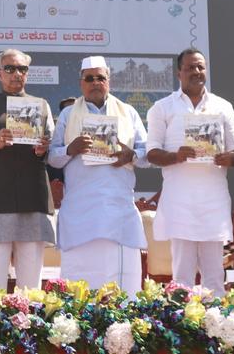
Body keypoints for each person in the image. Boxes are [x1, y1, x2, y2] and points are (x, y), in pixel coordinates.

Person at [48, 56, 149, 293]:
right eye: (89, 78)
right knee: (79, 284)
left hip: (117, 210)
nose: (95, 82)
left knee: (121, 287)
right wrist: (70, 149)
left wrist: (131, 155)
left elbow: (147, 155)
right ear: (81, 82)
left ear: (109, 81)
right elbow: (52, 157)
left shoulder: (129, 113)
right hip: (80, 211)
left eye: (100, 78)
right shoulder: (68, 114)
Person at [146, 47, 234, 289]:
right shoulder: (163, 107)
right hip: (180, 203)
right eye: (190, 67)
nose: (196, 71)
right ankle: (183, 325)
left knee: (214, 278)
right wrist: (176, 156)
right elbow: (152, 153)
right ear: (179, 73)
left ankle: (219, 327)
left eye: (200, 66)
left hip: (213, 201)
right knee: (182, 278)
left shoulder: (223, 107)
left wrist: (227, 158)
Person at [0, 49, 54, 293]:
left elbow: (55, 154)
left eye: (22, 69)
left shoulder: (42, 106)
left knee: (31, 290)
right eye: (10, 69)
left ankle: (28, 329)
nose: (17, 74)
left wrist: (43, 150)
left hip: (32, 201)